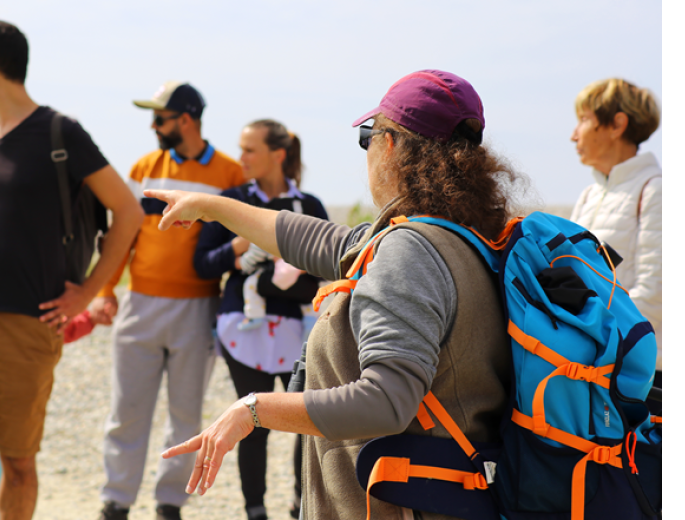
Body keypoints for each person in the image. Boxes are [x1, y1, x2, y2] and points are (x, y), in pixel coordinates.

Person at [146, 70, 524, 520]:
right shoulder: (465, 239)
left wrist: (253, 410)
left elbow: (386, 400)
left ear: (390, 145)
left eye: (368, 136)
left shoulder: (409, 252)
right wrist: (210, 207)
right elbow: (318, 240)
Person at [0, 20, 143, 520]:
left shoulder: (61, 133)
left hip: (27, 323)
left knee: (17, 462)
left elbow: (129, 213)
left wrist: (88, 293)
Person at [91, 81, 245, 520]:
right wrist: (104, 291)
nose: (153, 125)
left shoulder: (232, 175)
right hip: (139, 304)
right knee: (126, 410)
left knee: (185, 413)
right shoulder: (143, 167)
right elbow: (119, 237)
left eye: (159, 117)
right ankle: (116, 501)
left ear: (186, 119)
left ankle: (169, 504)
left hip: (199, 308)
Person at [193, 120, 329, 520]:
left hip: (302, 332)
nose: (242, 158)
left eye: (250, 149)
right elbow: (202, 265)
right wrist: (237, 244)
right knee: (251, 423)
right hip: (242, 332)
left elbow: (330, 269)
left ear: (278, 154)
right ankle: (256, 511)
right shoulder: (231, 200)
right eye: (241, 148)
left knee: (308, 424)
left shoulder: (311, 206)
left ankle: (303, 507)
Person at [0, 307, 111, 520]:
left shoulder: (28, 304)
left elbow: (55, 331)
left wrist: (89, 319)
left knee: (7, 470)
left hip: (17, 401)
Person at [569, 78, 662, 415]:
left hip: (647, 379)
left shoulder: (656, 191)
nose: (573, 134)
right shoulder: (588, 196)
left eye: (584, 120)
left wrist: (588, 336)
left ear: (617, 125)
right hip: (598, 372)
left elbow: (655, 295)